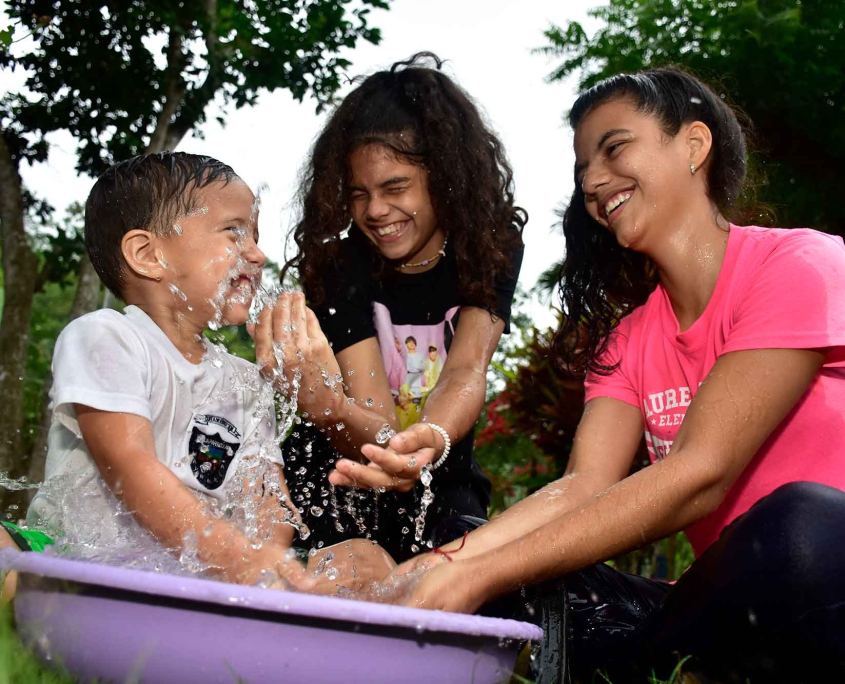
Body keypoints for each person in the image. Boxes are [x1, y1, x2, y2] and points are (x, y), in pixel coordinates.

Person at [386, 68, 845, 681]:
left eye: (615, 147)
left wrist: (479, 573)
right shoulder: (628, 341)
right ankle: (678, 664)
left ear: (694, 145)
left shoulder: (799, 264)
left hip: (823, 568)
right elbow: (581, 488)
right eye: (582, 172)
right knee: (465, 535)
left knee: (803, 525)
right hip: (725, 610)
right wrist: (431, 566)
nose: (594, 182)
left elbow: (700, 471)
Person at [24, 153, 392, 595]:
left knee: (365, 559)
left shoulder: (244, 380)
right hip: (80, 560)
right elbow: (130, 466)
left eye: (255, 235)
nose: (257, 254)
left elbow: (267, 502)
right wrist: (238, 561)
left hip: (189, 572)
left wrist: (271, 564)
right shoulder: (107, 337)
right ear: (148, 254)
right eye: (234, 232)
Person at [278, 52, 525, 562]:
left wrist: (431, 437)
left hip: (441, 474)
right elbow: (370, 408)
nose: (375, 211)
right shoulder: (336, 265)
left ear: (447, 176)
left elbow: (465, 370)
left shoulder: (491, 248)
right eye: (358, 194)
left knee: (476, 568)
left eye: (396, 187)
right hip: (340, 467)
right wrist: (344, 416)